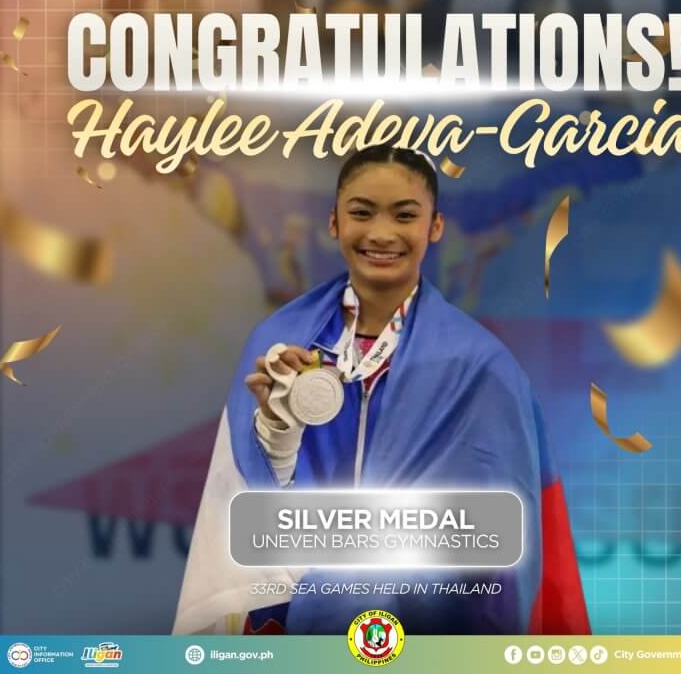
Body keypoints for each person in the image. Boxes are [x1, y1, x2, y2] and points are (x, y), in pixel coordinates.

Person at [173, 144, 589, 635]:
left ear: (434, 227)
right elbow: (243, 508)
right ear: (334, 223)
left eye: (405, 215)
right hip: (291, 623)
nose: (382, 233)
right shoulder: (279, 342)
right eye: (362, 213)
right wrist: (276, 442)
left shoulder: (481, 366)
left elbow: (498, 543)